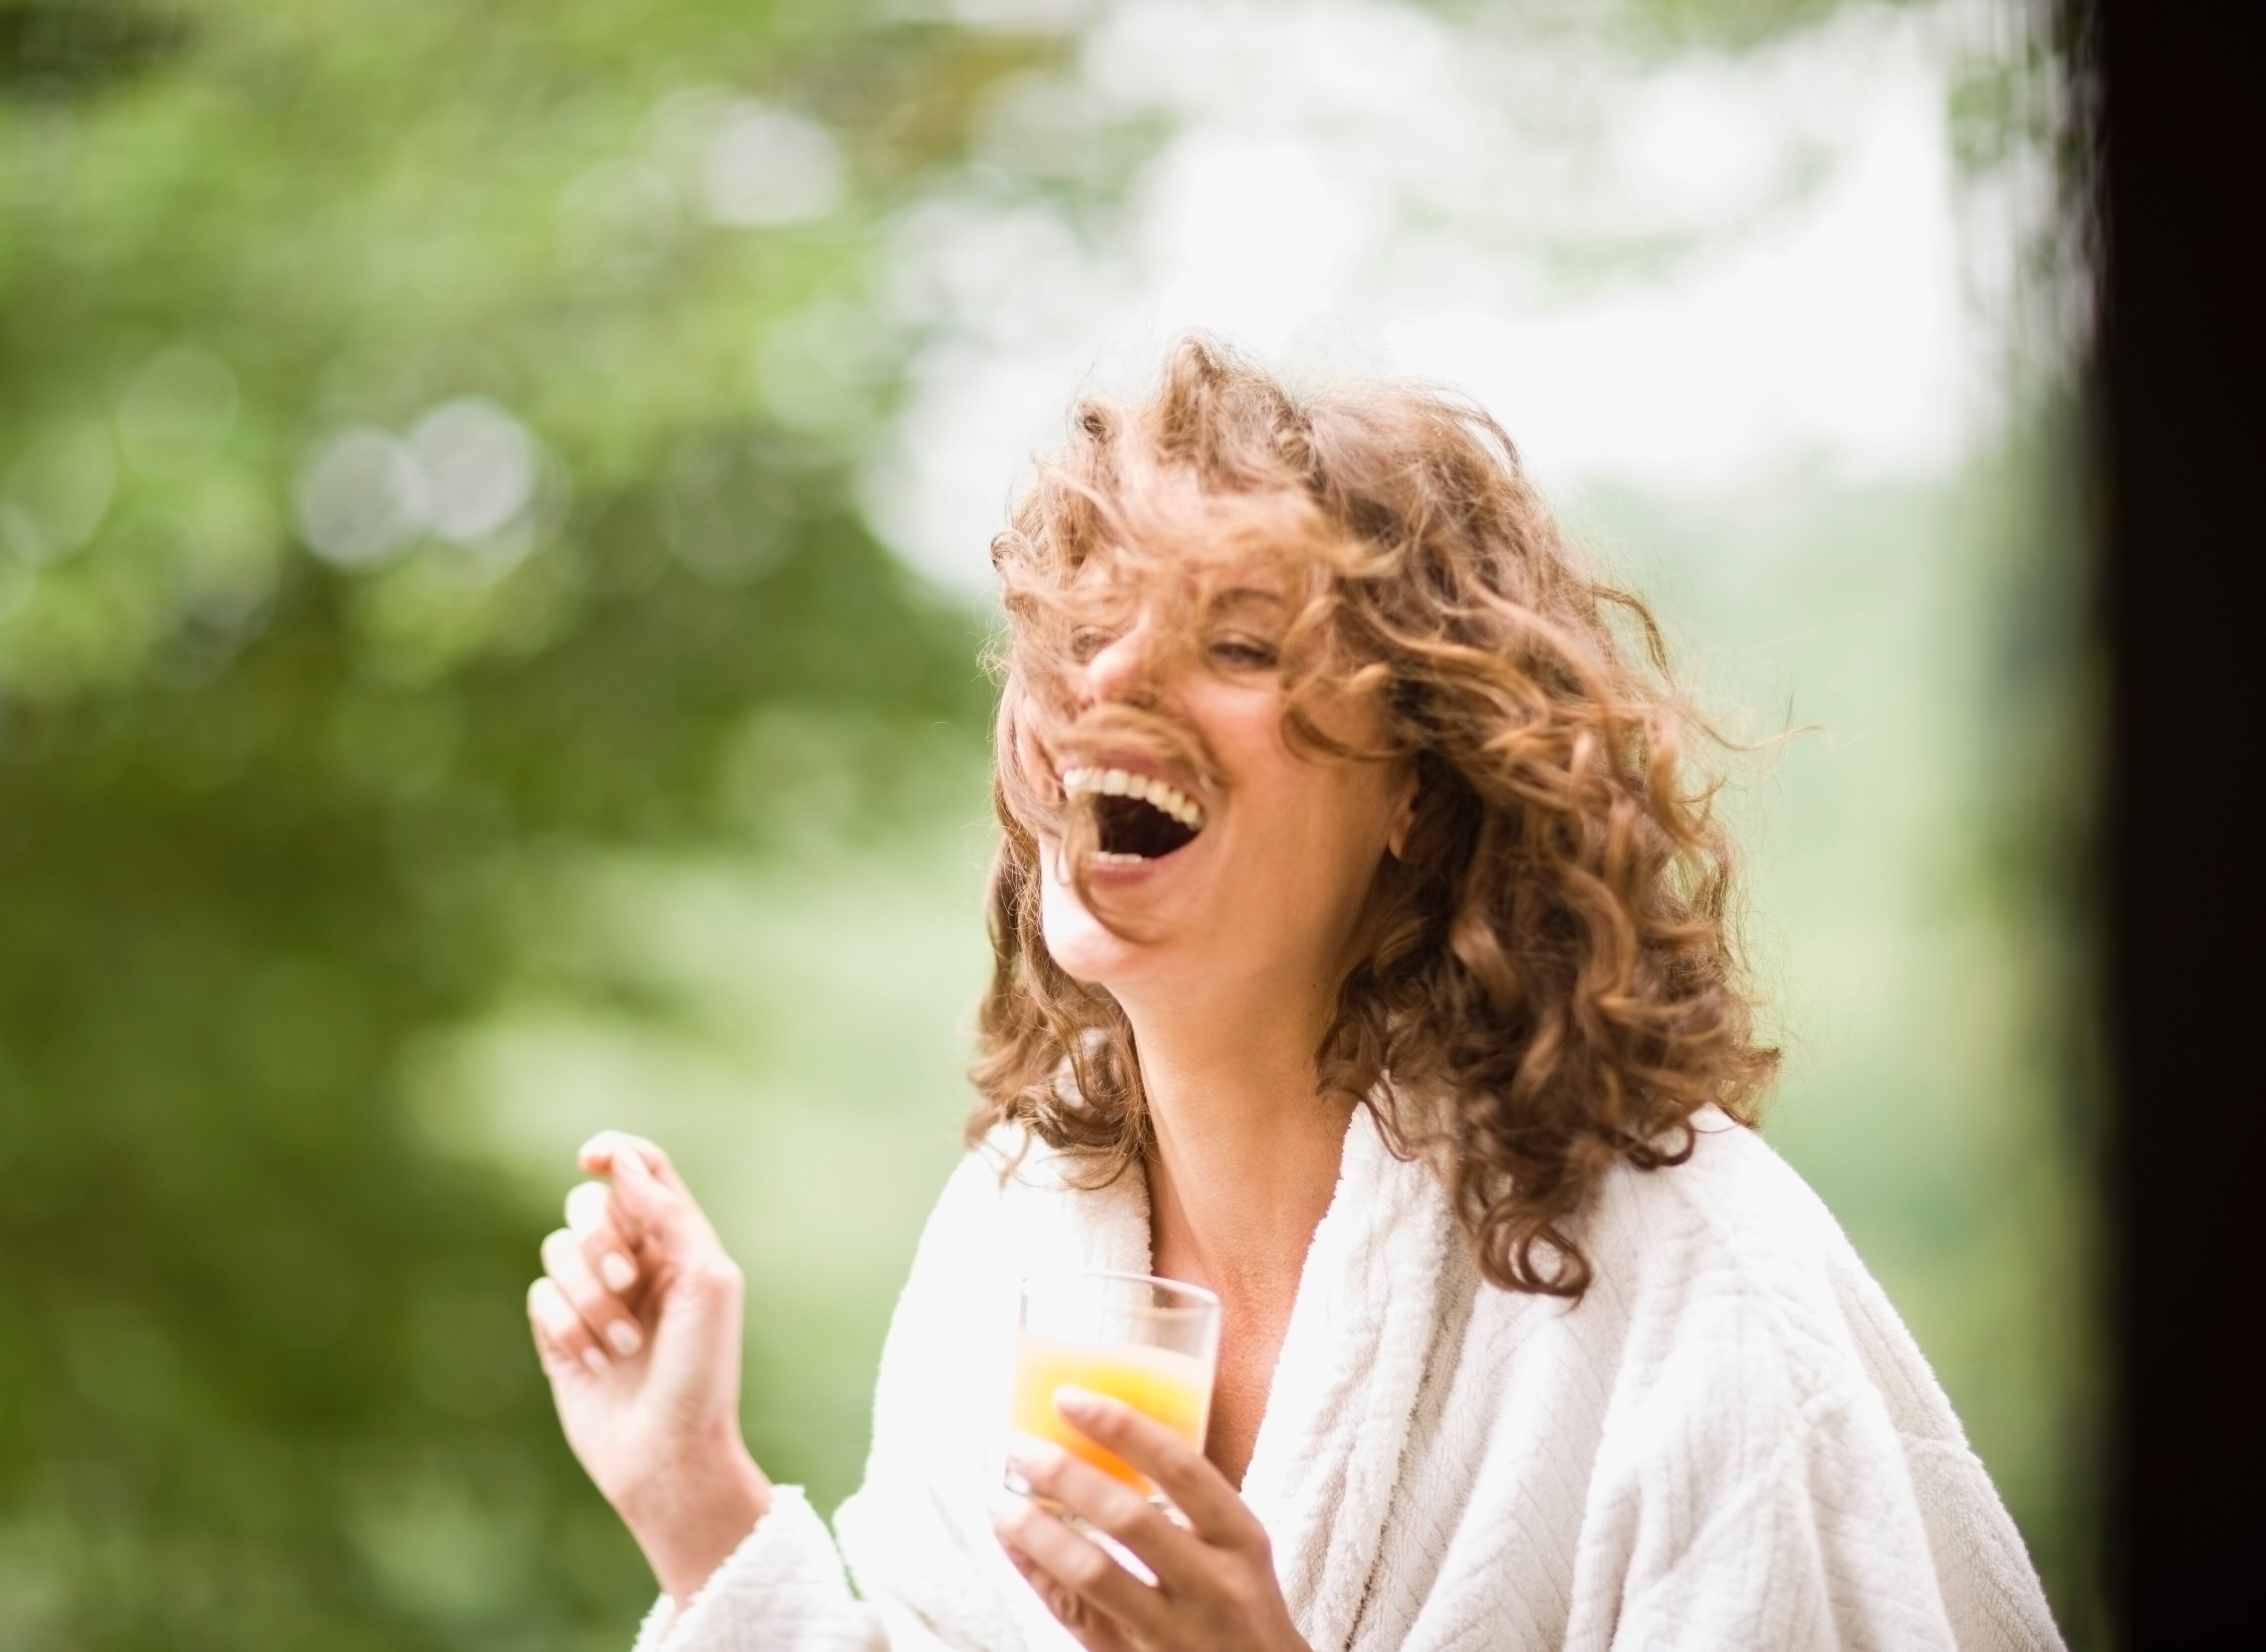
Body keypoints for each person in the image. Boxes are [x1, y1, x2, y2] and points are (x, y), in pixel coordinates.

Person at [523, 339, 2065, 1650]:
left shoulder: (1690, 1283)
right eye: (1081, 631)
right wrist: (694, 1499)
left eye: (1239, 643)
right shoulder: (1005, 1245)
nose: (1109, 681)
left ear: (1422, 778)